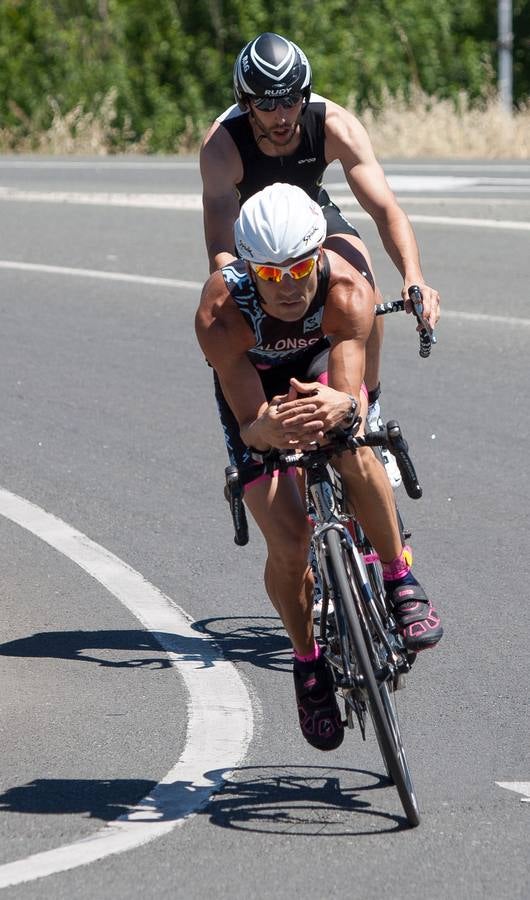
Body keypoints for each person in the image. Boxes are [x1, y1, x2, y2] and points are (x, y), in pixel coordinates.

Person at [195, 183, 443, 752]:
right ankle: (307, 666)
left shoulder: (348, 288)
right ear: (250, 268)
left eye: (299, 269)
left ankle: (398, 579)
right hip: (259, 392)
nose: (288, 287)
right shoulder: (220, 313)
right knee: (289, 541)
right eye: (271, 275)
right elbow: (250, 423)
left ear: (318, 257)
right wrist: (269, 428)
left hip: (320, 366)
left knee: (351, 444)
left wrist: (342, 407)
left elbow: (353, 396)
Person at [199, 31, 441, 489]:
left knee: (358, 277)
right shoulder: (221, 145)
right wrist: (248, 309)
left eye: (291, 101)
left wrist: (414, 276)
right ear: (246, 102)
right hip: (257, 233)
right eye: (267, 106)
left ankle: (371, 402)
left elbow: (385, 208)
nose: (282, 115)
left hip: (312, 215)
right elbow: (222, 246)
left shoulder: (334, 124)